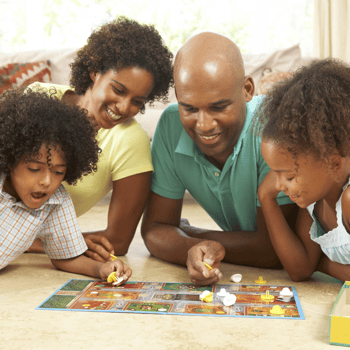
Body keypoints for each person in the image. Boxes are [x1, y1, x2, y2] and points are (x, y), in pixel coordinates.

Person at [141, 32, 298, 286]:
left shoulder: (272, 130)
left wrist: (191, 233)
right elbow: (154, 230)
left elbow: (274, 250)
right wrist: (191, 248)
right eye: (189, 108)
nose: (203, 125)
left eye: (218, 107)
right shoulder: (170, 125)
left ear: (247, 90)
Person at [28, 17, 174, 261]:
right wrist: (69, 242)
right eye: (118, 90)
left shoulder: (130, 140)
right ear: (95, 71)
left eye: (138, 101)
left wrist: (60, 242)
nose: (124, 107)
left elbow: (118, 240)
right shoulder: (37, 98)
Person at [0, 88, 132, 283]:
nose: (46, 181)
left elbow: (66, 256)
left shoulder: (57, 202)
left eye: (58, 172)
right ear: (10, 161)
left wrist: (101, 269)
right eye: (34, 169)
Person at [257, 58, 350, 282]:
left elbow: (312, 264)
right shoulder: (313, 200)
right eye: (275, 172)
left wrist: (322, 263)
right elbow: (300, 270)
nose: (278, 184)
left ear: (334, 164)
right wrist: (265, 196)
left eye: (288, 175)